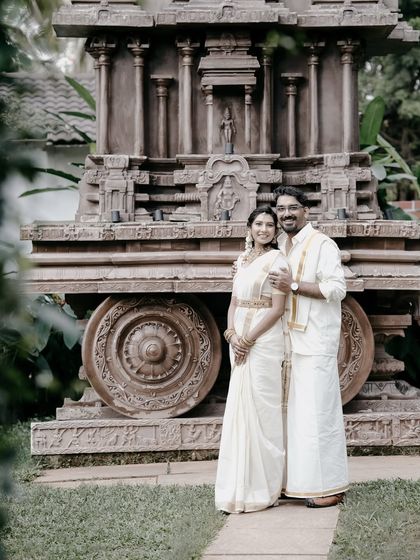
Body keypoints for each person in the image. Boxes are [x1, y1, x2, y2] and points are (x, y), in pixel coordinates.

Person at [268, 185, 349, 508]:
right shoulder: (281, 245)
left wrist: (295, 286)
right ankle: (298, 484)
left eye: (292, 208)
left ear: (306, 211)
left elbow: (336, 288)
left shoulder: (322, 244)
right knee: (295, 417)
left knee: (320, 414)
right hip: (287, 341)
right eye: (281, 208)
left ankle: (331, 487)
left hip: (315, 340)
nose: (286, 213)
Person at [215, 206, 289, 513]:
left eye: (269, 225)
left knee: (263, 407)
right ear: (249, 227)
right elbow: (233, 302)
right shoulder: (242, 260)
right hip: (239, 338)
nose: (264, 229)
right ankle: (239, 485)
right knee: (240, 408)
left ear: (275, 231)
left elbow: (277, 308)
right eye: (258, 224)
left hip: (264, 338)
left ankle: (265, 487)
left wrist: (248, 338)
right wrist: (231, 334)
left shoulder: (277, 260)